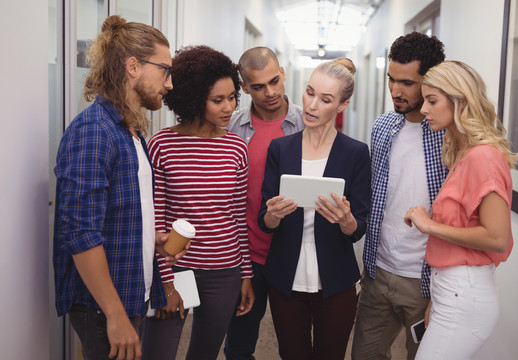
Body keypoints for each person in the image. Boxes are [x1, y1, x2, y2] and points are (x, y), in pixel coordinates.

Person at [53, 15, 183, 360]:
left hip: (129, 291)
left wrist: (149, 238)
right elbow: (81, 234)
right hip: (103, 306)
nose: (169, 84)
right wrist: (114, 314)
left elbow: (118, 211)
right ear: (133, 66)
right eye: (165, 70)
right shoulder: (94, 131)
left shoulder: (131, 132)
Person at [141, 45, 255, 360]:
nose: (228, 107)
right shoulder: (161, 144)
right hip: (175, 268)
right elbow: (156, 219)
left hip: (225, 271)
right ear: (192, 97)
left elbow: (237, 216)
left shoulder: (236, 147)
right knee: (157, 353)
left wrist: (245, 273)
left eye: (232, 97)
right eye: (217, 100)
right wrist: (164, 281)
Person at [404, 60, 518, 359]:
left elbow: (497, 238)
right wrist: (438, 299)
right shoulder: (464, 153)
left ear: (460, 101)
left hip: (464, 293)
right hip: (451, 290)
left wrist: (429, 225)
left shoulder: (483, 157)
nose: (424, 109)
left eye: (432, 101)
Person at [258, 58, 371, 360]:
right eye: (309, 93)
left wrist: (346, 220)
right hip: (285, 277)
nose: (311, 105)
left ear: (342, 105)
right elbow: (264, 221)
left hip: (335, 280)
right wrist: (273, 214)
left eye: (325, 99)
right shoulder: (281, 149)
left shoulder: (356, 153)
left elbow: (358, 227)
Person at [351, 32, 447, 360]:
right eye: (391, 79)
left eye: (407, 83)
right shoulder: (382, 127)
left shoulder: (451, 137)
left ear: (431, 80)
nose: (395, 90)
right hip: (378, 272)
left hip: (425, 281)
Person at [224, 46, 304, 360]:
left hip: (294, 254)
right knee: (239, 345)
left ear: (283, 74)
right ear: (243, 87)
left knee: (296, 346)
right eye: (258, 86)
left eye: (274, 81)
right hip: (247, 256)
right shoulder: (231, 128)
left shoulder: (307, 124)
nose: (270, 92)